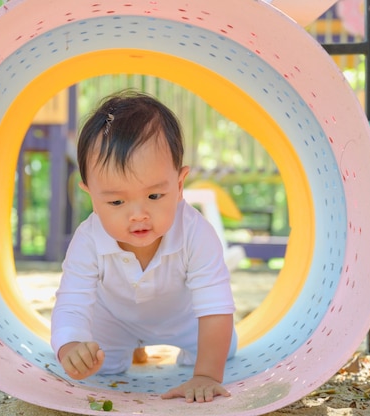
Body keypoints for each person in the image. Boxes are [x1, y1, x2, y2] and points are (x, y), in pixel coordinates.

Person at [50, 90, 238, 404]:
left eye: (154, 196)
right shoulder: (88, 239)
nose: (138, 214)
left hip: (184, 319)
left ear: (179, 185)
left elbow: (216, 306)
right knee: (98, 368)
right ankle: (117, 353)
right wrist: (70, 346)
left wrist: (206, 374)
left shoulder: (196, 233)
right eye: (116, 201)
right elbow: (72, 302)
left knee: (224, 349)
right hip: (113, 320)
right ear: (91, 195)